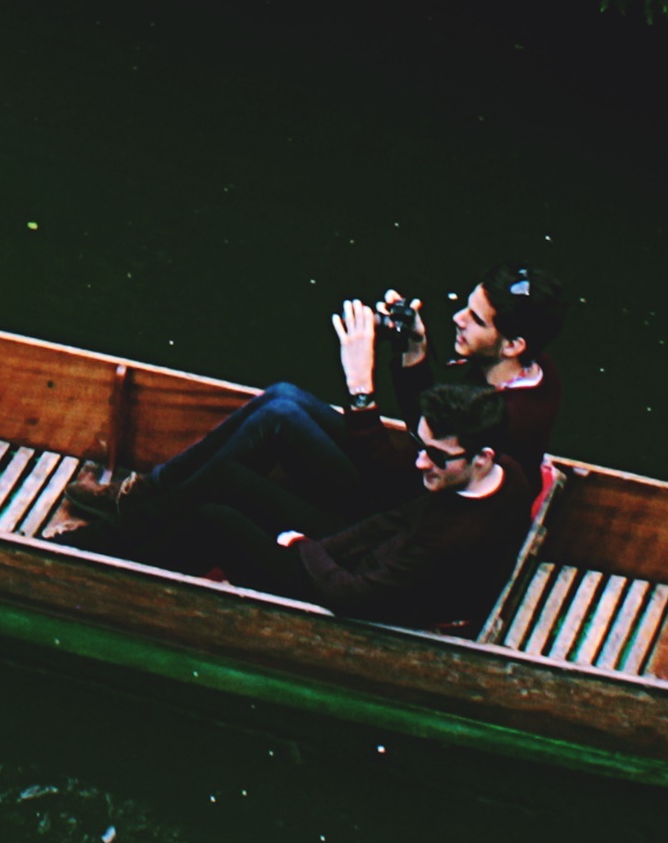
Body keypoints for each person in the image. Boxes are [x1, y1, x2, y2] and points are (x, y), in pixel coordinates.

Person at [43, 264, 558, 562]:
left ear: (514, 342)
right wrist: (413, 351)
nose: (457, 319)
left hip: (389, 520)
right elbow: (433, 426)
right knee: (283, 398)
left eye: (474, 318)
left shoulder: (511, 420)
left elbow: (406, 475)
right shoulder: (512, 373)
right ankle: (143, 494)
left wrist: (361, 387)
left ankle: (115, 537)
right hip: (409, 488)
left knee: (275, 426)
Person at [235, 378, 543, 632]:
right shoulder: (508, 472)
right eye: (419, 445)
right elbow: (394, 519)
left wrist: (304, 546)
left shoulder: (449, 539)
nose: (420, 462)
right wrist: (327, 547)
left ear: (482, 458)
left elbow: (349, 596)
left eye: (436, 456)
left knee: (216, 520)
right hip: (373, 562)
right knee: (237, 476)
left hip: (365, 608)